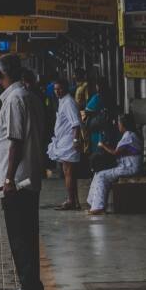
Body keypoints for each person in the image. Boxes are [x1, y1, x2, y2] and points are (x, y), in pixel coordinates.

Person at [0, 54, 45, 290]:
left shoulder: (14, 100)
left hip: (18, 182)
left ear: (1, 75)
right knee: (28, 234)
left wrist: (9, 178)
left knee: (20, 237)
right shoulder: (29, 97)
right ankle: (31, 286)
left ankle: (29, 289)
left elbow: (15, 141)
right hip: (29, 177)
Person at [86, 114, 142, 215]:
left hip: (130, 167)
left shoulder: (129, 135)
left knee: (102, 176)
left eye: (119, 123)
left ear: (123, 125)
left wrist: (103, 145)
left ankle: (99, 207)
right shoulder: (129, 135)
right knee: (98, 173)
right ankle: (93, 203)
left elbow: (116, 152)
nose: (118, 126)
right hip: (126, 165)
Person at [47, 79, 83, 210]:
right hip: (64, 141)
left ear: (66, 88)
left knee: (68, 172)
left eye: (60, 89)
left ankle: (70, 201)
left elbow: (76, 124)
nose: (57, 91)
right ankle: (75, 201)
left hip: (69, 142)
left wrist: (75, 141)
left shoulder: (68, 102)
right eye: (55, 89)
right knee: (70, 173)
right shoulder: (62, 101)